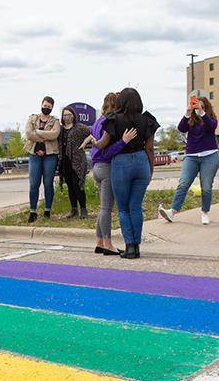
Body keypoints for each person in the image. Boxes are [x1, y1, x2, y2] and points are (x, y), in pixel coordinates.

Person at [95, 88, 159, 259]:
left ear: (121, 101)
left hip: (121, 163)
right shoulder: (147, 120)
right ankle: (136, 247)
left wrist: (93, 141)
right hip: (141, 162)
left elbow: (102, 145)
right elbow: (150, 148)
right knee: (136, 206)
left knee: (123, 208)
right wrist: (151, 169)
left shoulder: (113, 120)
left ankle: (129, 247)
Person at [83, 92, 135, 256]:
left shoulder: (98, 121)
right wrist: (123, 141)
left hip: (96, 167)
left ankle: (99, 242)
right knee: (106, 207)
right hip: (106, 167)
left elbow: (96, 147)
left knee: (102, 207)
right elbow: (106, 150)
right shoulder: (110, 121)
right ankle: (108, 243)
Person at [159, 96, 219, 225]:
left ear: (205, 107)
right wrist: (187, 113)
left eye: (199, 105)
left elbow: (212, 127)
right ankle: (172, 212)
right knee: (183, 183)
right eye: (195, 105)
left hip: (210, 155)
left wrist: (201, 112)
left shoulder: (210, 118)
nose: (196, 107)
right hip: (191, 156)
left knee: (206, 186)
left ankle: (204, 212)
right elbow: (181, 128)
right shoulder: (191, 119)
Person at [24, 96, 61, 223]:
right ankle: (33, 211)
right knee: (34, 183)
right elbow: (28, 133)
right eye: (45, 106)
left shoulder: (55, 120)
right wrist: (45, 136)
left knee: (48, 183)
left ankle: (47, 210)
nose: (46, 108)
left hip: (50, 155)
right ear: (41, 105)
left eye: (49, 107)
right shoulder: (32, 118)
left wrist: (38, 132)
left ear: (52, 108)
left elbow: (55, 134)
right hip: (34, 154)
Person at [57, 106, 92, 219]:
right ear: (62, 117)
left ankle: (83, 209)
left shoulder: (79, 127)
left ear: (73, 115)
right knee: (70, 187)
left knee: (78, 186)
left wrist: (85, 143)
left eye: (69, 114)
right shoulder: (61, 129)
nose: (67, 117)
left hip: (78, 161)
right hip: (65, 161)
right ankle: (74, 209)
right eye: (65, 115)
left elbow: (92, 133)